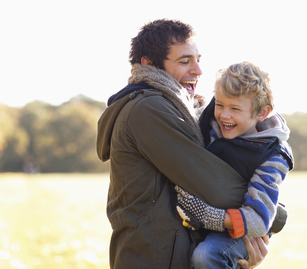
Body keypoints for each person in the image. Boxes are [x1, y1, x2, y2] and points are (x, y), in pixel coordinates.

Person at [96, 19, 269, 269]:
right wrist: (269, 213)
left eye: (198, 59)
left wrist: (233, 251)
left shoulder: (181, 108)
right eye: (184, 61)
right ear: (149, 64)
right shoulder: (148, 109)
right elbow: (215, 188)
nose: (198, 70)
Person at [175, 62, 294, 269]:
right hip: (217, 213)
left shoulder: (273, 156)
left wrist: (208, 216)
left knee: (207, 255)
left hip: (244, 227)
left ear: (261, 113)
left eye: (235, 109)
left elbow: (258, 220)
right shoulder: (213, 120)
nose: (224, 115)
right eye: (220, 104)